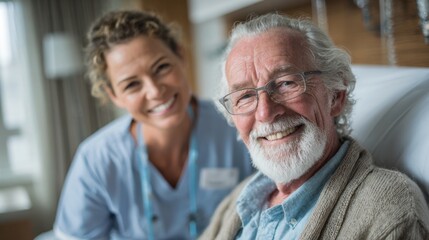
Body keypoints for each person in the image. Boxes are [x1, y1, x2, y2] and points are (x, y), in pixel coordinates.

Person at [200, 13, 429, 239]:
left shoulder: (389, 209)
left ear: (336, 95)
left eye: (286, 83)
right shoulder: (240, 200)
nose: (265, 113)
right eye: (245, 96)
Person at [53, 10, 254, 240]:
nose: (155, 91)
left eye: (161, 68)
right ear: (114, 95)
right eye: (131, 85)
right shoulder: (96, 160)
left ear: (181, 56)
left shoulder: (236, 126)